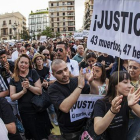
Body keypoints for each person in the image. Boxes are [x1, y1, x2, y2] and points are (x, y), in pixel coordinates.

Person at [10, 54, 51, 140]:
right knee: (31, 135)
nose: (23, 65)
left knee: (42, 135)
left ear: (29, 64)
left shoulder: (33, 72)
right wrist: (23, 92)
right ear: (18, 63)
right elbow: (12, 97)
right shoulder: (14, 78)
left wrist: (29, 87)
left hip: (38, 109)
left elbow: (39, 91)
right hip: (25, 111)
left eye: (26, 63)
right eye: (21, 62)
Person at [48, 59, 91, 140]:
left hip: (85, 125)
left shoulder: (76, 80)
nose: (64, 74)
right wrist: (79, 87)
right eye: (59, 72)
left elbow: (92, 95)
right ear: (53, 74)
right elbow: (65, 107)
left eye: (65, 69)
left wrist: (91, 82)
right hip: (70, 131)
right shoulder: (53, 89)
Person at [93, 71, 140, 140]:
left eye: (130, 82)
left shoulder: (126, 101)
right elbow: (97, 130)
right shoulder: (101, 103)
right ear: (114, 84)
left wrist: (133, 105)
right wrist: (112, 111)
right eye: (125, 82)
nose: (130, 86)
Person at [127, 60, 140, 140]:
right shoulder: (121, 78)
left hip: (136, 118)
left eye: (135, 68)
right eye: (130, 67)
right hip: (123, 116)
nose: (131, 70)